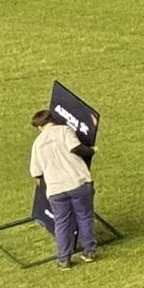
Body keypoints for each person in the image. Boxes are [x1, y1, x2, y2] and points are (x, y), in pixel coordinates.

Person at [30, 109, 96, 268]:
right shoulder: (64, 130)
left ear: (39, 127)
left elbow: (36, 172)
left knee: (61, 223)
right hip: (78, 182)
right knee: (84, 217)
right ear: (52, 119)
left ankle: (64, 259)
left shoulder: (37, 143)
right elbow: (77, 148)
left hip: (56, 189)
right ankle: (89, 252)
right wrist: (92, 150)